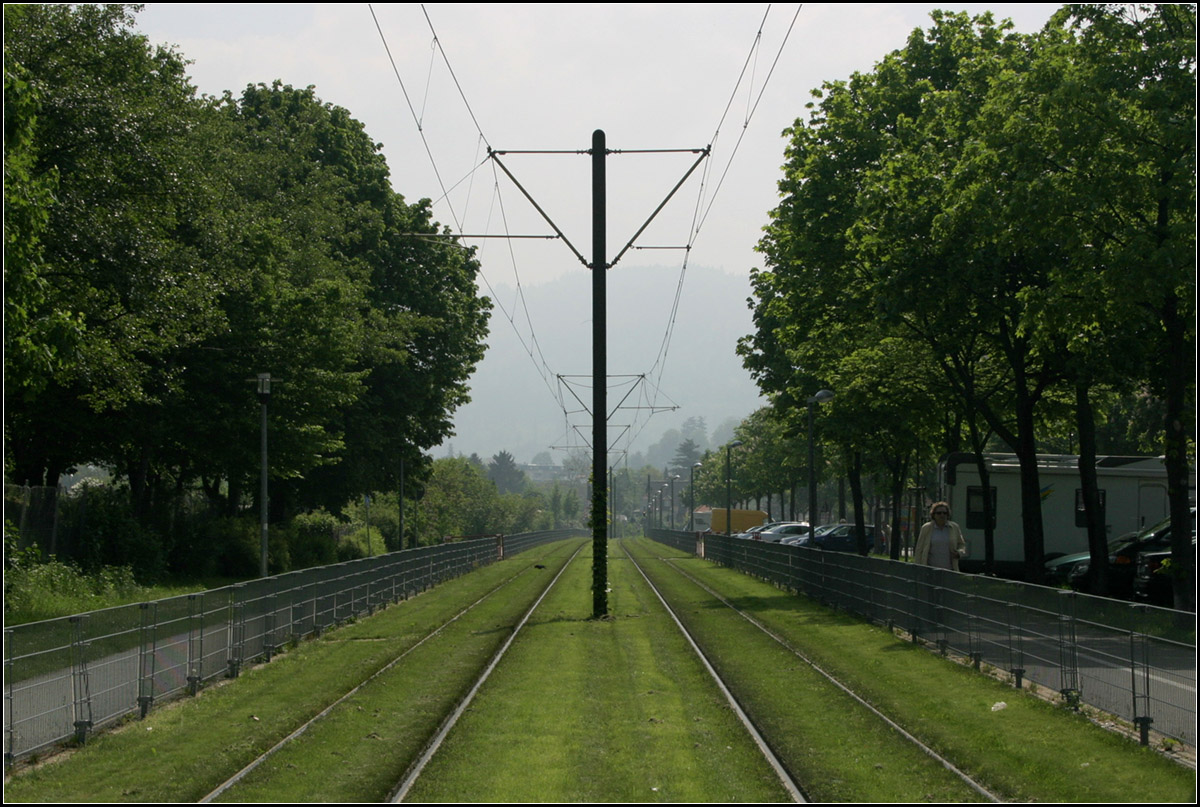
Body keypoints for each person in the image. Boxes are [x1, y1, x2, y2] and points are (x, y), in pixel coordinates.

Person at [914, 501, 966, 571]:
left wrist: (959, 553)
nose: (942, 515)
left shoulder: (954, 527)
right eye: (939, 513)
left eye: (945, 513)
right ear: (933, 515)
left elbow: (962, 545)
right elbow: (919, 549)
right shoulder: (926, 528)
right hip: (930, 570)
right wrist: (918, 568)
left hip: (950, 569)